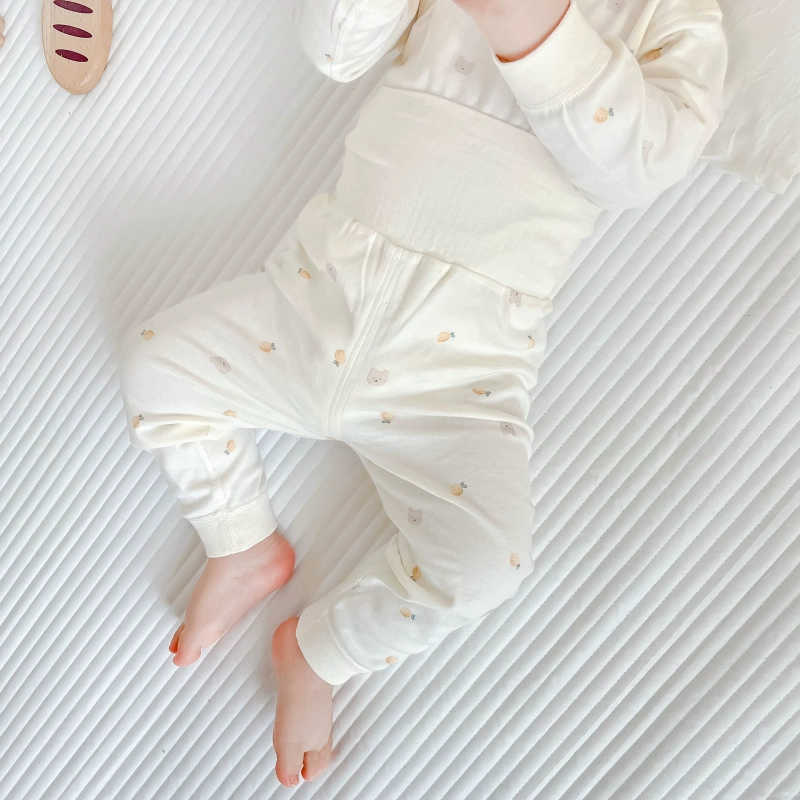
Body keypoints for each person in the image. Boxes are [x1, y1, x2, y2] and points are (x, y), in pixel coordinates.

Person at [117, 0, 727, 787]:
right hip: (314, 301)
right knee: (154, 366)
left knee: (486, 565)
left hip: (457, 374)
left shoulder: (679, 17)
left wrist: (529, 26)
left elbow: (640, 168)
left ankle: (320, 650)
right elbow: (336, 50)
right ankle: (239, 541)